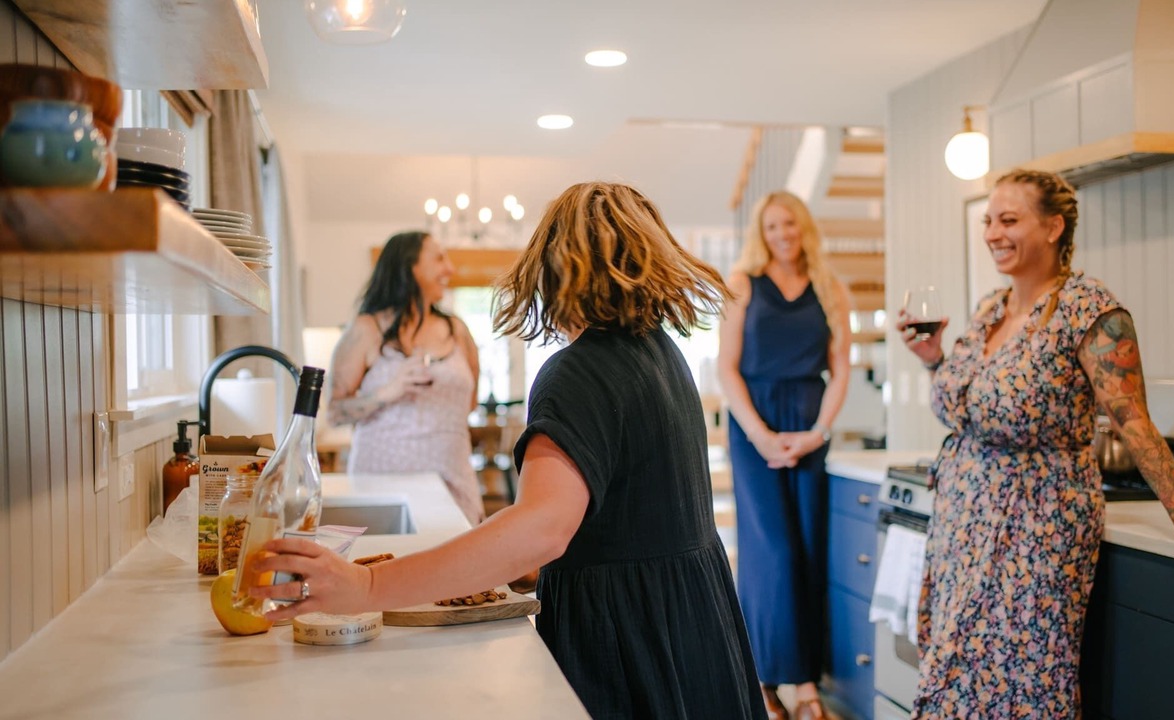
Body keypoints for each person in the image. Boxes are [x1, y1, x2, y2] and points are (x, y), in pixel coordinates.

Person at [249, 181, 768, 720]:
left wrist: (367, 584)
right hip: (695, 619)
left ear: (555, 268)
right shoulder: (664, 356)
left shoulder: (577, 372)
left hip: (626, 633)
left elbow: (540, 530)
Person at [896, 168, 1174, 718]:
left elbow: (1134, 423)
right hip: (962, 526)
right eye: (989, 220)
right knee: (955, 679)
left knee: (1023, 680)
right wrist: (935, 362)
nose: (993, 231)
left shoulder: (1090, 310)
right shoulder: (990, 309)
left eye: (1009, 219)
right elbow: (972, 408)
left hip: (1035, 526)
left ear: (1053, 227)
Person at [718, 190, 853, 720]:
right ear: (761, 232)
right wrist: (760, 435)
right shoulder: (742, 285)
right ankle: (766, 680)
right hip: (755, 422)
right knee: (769, 552)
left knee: (806, 548)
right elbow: (725, 367)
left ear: (804, 228)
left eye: (790, 224)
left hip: (809, 421)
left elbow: (841, 368)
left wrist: (818, 431)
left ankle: (806, 683)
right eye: (772, 226)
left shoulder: (830, 287)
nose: (782, 234)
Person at [327, 230, 484, 525]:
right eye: (439, 259)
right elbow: (334, 412)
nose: (450, 269)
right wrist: (388, 392)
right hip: (381, 488)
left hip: (453, 479)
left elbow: (470, 403)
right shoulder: (366, 329)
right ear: (409, 267)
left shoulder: (457, 330)